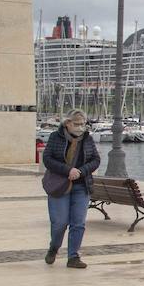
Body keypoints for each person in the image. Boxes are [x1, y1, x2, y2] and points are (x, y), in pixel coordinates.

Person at [41, 109, 101, 269]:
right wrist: (68, 170)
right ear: (67, 124)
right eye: (77, 124)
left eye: (83, 124)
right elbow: (47, 159)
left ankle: (73, 256)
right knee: (59, 223)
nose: (80, 128)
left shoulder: (87, 139)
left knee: (78, 223)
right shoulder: (56, 137)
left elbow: (96, 159)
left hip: (81, 186)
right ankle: (54, 247)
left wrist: (81, 171)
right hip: (59, 186)